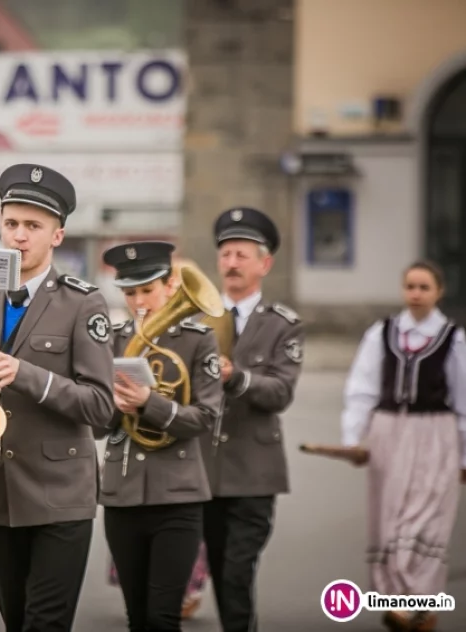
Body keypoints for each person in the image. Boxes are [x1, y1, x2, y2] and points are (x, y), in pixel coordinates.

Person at [0, 164, 115, 632]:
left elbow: (101, 407)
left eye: (32, 226)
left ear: (57, 236)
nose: (19, 236)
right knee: (15, 622)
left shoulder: (84, 302)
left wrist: (25, 374)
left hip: (60, 496)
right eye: (11, 223)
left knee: (45, 625)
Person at [97, 241, 222, 632]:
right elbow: (94, 423)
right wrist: (115, 406)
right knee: (137, 616)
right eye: (130, 292)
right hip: (122, 494)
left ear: (170, 287)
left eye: (147, 290)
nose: (139, 302)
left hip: (178, 495)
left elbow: (206, 416)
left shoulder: (197, 339)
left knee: (162, 616)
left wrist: (151, 403)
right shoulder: (110, 339)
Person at [340, 260, 465, 632]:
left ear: (438, 292)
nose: (416, 294)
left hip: (435, 435)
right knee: (390, 519)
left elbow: (464, 401)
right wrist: (352, 438)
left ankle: (417, 602)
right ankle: (403, 603)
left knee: (425, 520)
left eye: (424, 287)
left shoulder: (453, 339)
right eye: (410, 286)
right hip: (389, 432)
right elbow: (361, 389)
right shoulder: (382, 333)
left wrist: (464, 454)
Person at [201, 207, 305, 632]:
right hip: (203, 471)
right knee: (217, 575)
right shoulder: (198, 321)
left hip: (254, 475)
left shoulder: (284, 325)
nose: (231, 263)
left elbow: (280, 392)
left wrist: (237, 377)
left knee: (236, 573)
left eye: (242, 254)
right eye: (225, 254)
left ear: (265, 264)